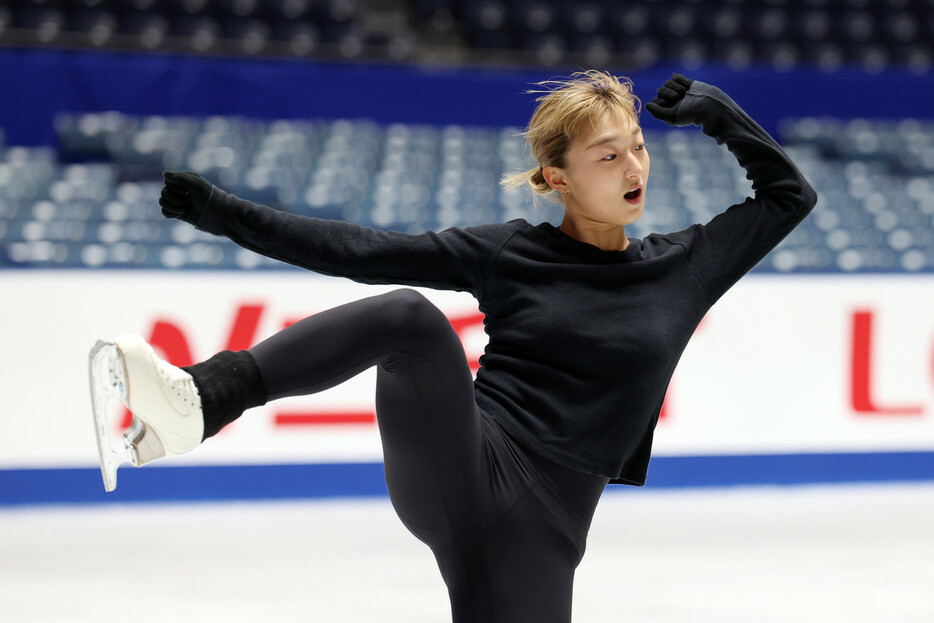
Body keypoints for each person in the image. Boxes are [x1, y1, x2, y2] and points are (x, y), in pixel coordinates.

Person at [91, 72, 816, 622]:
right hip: (469, 458)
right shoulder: (508, 251)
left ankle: (167, 426)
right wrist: (225, 214)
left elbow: (790, 196)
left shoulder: (684, 266)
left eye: (638, 147)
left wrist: (715, 112)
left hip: (553, 523)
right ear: (557, 178)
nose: (634, 168)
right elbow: (366, 251)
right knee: (409, 318)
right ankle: (202, 399)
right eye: (608, 155)